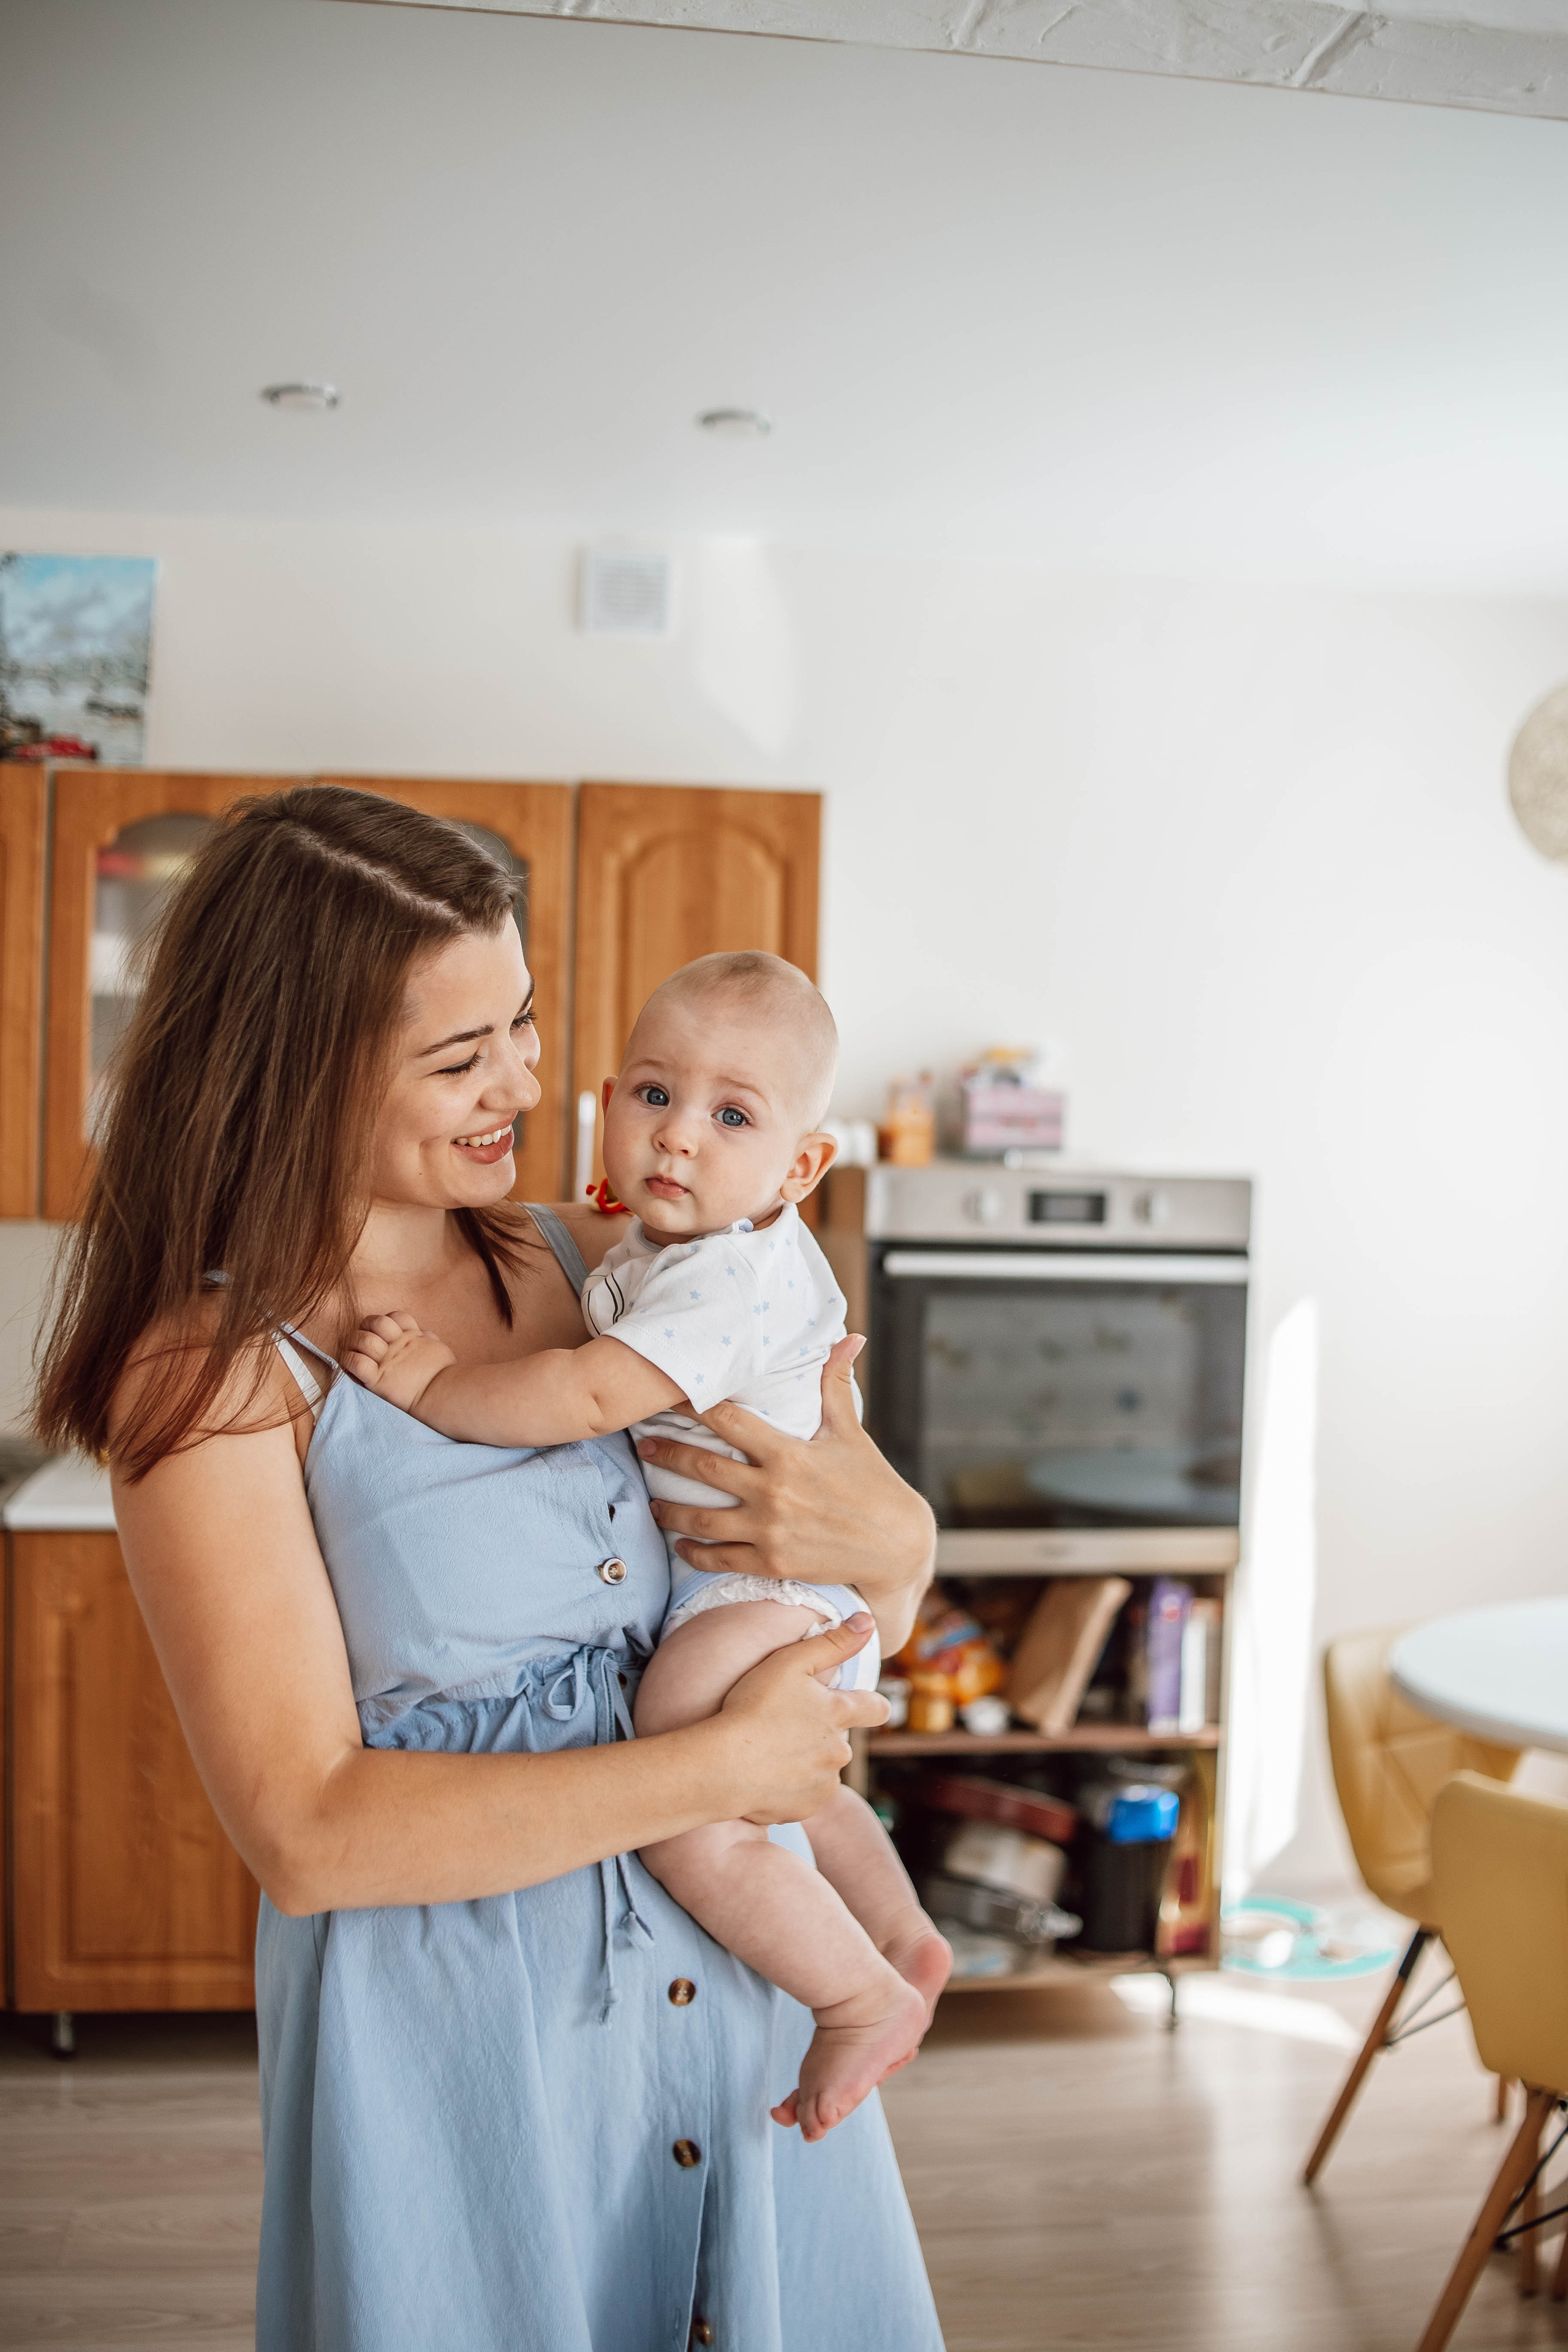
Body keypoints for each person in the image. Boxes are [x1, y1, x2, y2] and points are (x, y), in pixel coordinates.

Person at [34, 784, 945, 2352]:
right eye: (460, 1057)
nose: (522, 1080)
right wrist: (717, 1763)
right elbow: (309, 1833)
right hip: (469, 2047)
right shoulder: (209, 1374)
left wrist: (907, 1553)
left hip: (746, 2002)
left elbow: (839, 1556)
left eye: (520, 1025)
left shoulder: (583, 1265)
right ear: (292, 1069)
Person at [344, 950, 952, 2144]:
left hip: (762, 1583)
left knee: (692, 1777)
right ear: (610, 1101)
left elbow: (577, 1398)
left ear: (800, 1166)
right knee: (798, 1784)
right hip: (762, 1580)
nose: (676, 1138)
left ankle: (852, 1992)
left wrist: (430, 1382)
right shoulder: (658, 1248)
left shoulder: (728, 1279)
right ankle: (899, 1932)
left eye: (731, 1115)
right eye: (653, 1097)